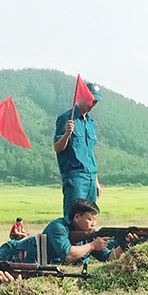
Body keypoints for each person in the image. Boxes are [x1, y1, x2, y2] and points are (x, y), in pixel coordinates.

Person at [0, 198, 135, 265]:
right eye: (90, 219)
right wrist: (92, 245)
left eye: (96, 220)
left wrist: (125, 244)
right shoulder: (59, 227)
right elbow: (67, 254)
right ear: (77, 217)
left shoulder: (89, 236)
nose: (94, 223)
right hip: (16, 253)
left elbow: (108, 258)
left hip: (29, 267)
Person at [54, 81, 103, 217]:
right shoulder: (66, 118)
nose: (92, 104)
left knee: (90, 218)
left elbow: (90, 153)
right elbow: (57, 147)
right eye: (91, 100)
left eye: (95, 102)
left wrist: (96, 181)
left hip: (91, 177)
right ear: (81, 96)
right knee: (74, 218)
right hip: (75, 177)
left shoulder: (90, 123)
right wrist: (67, 134)